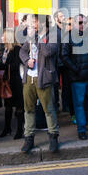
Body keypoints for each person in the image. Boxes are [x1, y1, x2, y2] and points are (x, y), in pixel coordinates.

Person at [20, 14, 60, 153]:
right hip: (29, 78)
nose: (33, 25)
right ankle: (28, 138)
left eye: (36, 22)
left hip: (44, 78)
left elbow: (48, 51)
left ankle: (53, 136)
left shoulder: (53, 35)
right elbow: (22, 51)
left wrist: (41, 36)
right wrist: (27, 61)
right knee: (29, 109)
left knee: (48, 109)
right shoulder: (32, 36)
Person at [0, 29, 24, 139]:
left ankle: (19, 130)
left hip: (17, 82)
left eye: (4, 36)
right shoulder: (5, 49)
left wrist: (3, 65)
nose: (2, 38)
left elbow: (16, 65)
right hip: (7, 82)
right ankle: (7, 128)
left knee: (19, 107)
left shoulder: (17, 49)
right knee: (7, 107)